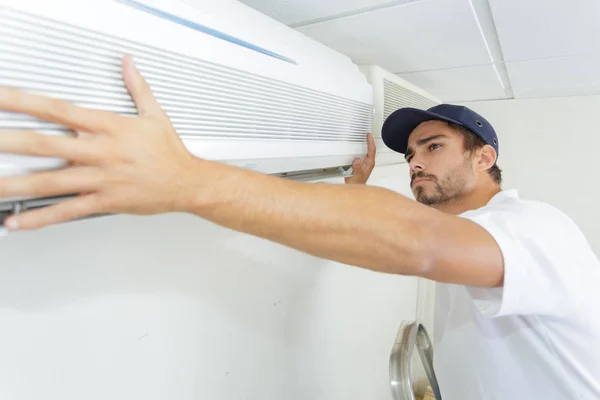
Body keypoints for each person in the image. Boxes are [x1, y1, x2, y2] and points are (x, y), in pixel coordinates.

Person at [0, 56, 599, 399]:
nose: (415, 162)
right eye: (411, 152)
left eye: (433, 146)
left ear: (485, 157)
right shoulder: (471, 228)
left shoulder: (537, 227)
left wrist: (186, 180)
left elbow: (419, 243)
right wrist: (356, 194)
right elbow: (412, 230)